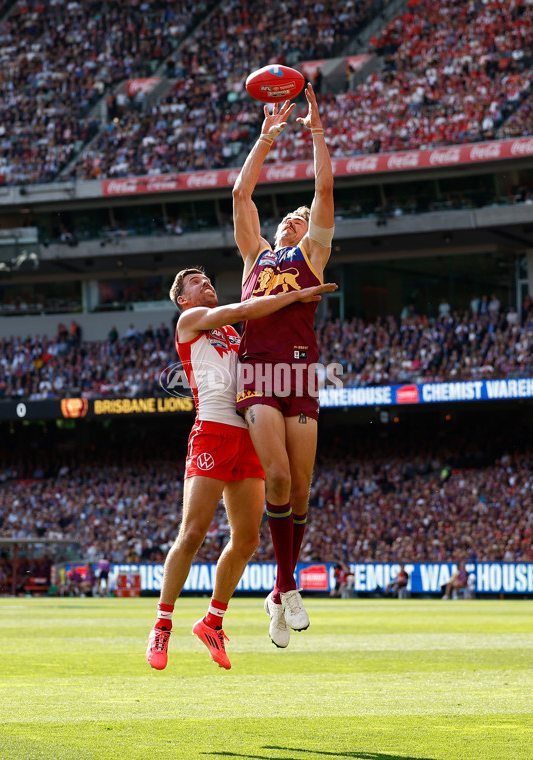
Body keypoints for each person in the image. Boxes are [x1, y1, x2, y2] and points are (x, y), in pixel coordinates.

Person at [146, 268, 336, 670]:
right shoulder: (190, 321)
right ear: (182, 298)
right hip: (213, 432)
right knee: (193, 532)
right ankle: (163, 623)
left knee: (248, 539)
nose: (207, 283)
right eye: (197, 282)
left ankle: (213, 621)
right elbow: (250, 305)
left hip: (249, 435)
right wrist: (298, 293)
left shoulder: (238, 334)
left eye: (209, 278)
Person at [232, 83, 334, 648]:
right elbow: (240, 193)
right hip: (259, 373)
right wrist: (266, 139)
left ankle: (280, 589)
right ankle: (288, 588)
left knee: (299, 489)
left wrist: (316, 130)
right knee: (276, 476)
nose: (295, 221)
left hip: (301, 373)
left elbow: (322, 188)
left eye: (302, 219)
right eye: (289, 219)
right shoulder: (256, 257)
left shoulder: (311, 258)